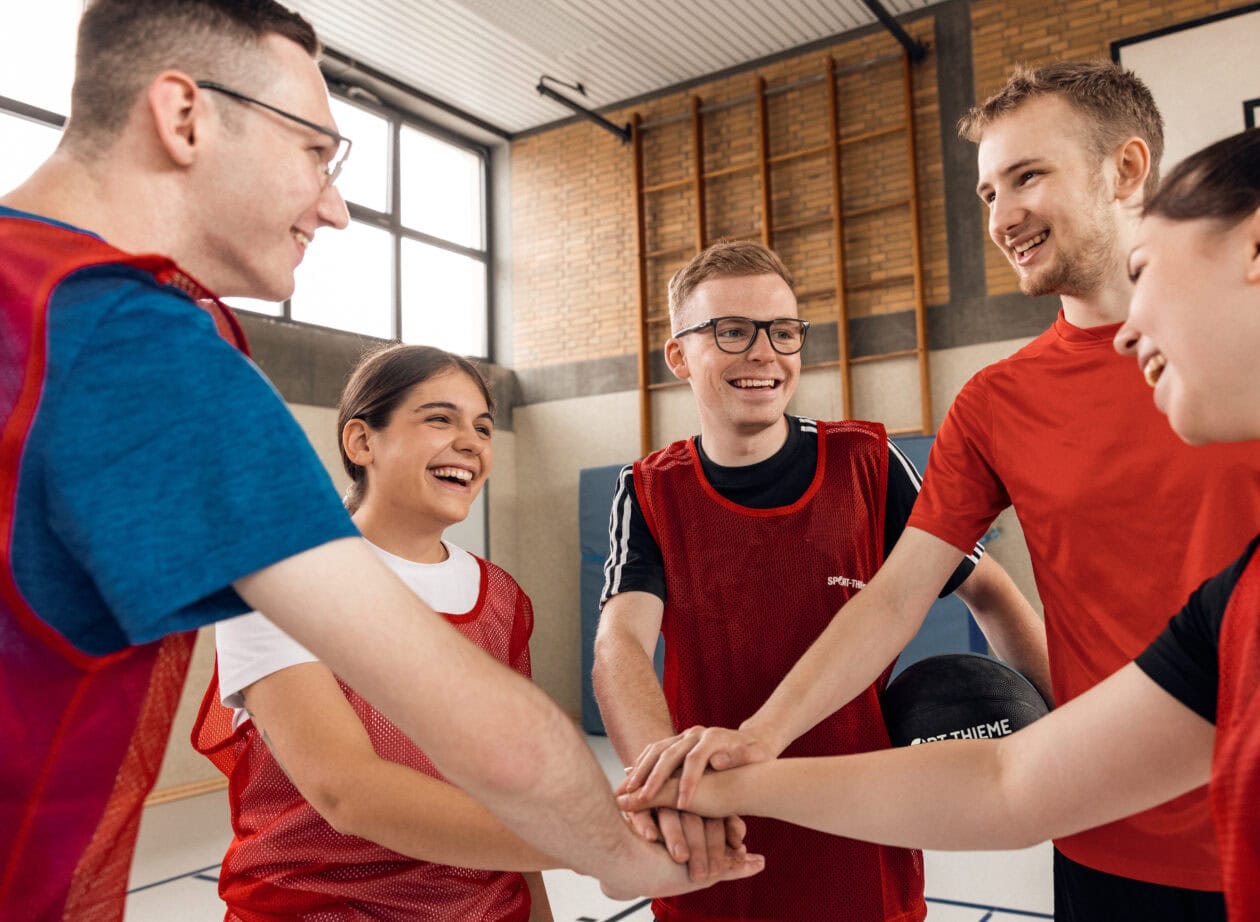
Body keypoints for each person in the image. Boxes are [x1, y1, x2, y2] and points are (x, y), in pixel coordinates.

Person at [0, 2, 759, 918]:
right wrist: (632, 852)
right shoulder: (141, 343)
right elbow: (480, 740)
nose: (336, 206)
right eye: (316, 151)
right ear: (184, 116)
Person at [622, 61, 1260, 921]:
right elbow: (901, 607)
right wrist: (755, 745)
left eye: (1028, 176)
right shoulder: (997, 404)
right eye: (988, 193)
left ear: (1128, 169)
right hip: (1104, 819)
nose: (1001, 217)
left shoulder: (1226, 380)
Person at [594, 239, 1051, 921]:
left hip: (861, 842)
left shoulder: (867, 462)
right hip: (718, 836)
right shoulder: (649, 490)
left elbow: (989, 589)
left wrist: (1063, 724)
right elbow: (619, 644)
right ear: (680, 355)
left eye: (782, 331)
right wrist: (664, 780)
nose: (763, 352)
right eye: (731, 331)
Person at [193, 345, 556, 920]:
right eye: (440, 418)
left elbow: (515, 786)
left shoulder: (502, 597)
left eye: (483, 427)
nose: (472, 442)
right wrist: (597, 840)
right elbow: (348, 792)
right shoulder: (282, 576)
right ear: (362, 442)